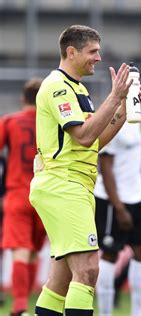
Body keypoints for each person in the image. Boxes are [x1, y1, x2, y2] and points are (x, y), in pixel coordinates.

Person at [29, 24, 134, 316]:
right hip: (63, 185)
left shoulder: (78, 89)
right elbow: (84, 135)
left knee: (60, 281)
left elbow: (94, 142)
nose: (98, 58)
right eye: (93, 51)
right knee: (88, 271)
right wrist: (113, 97)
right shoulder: (58, 86)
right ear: (71, 52)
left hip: (75, 185)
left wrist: (120, 112)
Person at [94, 115, 141, 316]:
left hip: (137, 197)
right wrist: (119, 208)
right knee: (110, 253)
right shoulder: (114, 121)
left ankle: (140, 312)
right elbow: (106, 168)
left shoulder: (135, 120)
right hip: (113, 200)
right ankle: (105, 312)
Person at [0, 79, 47, 316]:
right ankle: (23, 305)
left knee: (21, 250)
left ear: (22, 99)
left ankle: (19, 306)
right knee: (34, 253)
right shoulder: (50, 123)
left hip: (18, 193)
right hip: (45, 194)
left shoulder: (9, 121)